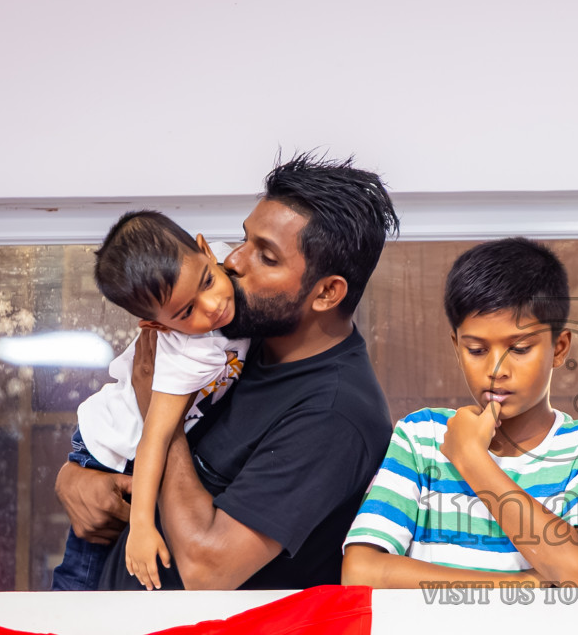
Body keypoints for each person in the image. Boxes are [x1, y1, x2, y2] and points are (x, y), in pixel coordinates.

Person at [54, 153, 397, 590]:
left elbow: (206, 568)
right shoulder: (237, 334)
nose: (234, 261)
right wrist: (78, 478)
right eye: (245, 240)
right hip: (121, 634)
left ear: (327, 292)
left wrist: (157, 404)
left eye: (266, 257)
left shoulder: (334, 415)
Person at [341, 238, 578, 588]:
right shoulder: (421, 436)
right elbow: (361, 573)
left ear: (559, 348)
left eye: (519, 349)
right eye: (476, 350)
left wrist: (471, 458)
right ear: (456, 346)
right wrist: (518, 584)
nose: (496, 369)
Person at [49, 211, 248, 592]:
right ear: (157, 326)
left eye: (208, 281)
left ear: (207, 250)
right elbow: (153, 439)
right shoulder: (187, 351)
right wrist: (141, 526)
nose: (212, 306)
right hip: (110, 448)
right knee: (82, 576)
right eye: (186, 311)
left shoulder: (226, 264)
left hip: (133, 439)